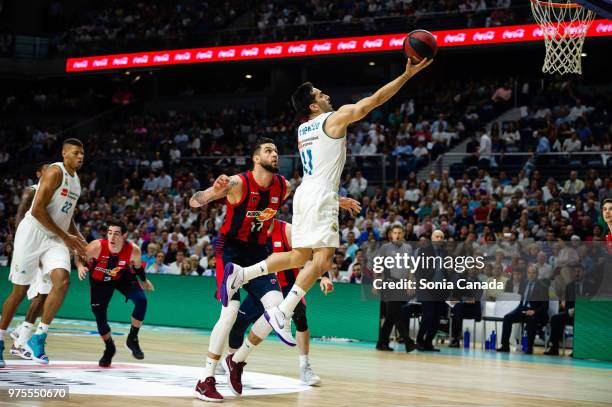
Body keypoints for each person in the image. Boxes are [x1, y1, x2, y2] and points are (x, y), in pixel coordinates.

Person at [222, 57, 433, 350]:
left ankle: (243, 273)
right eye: (321, 95)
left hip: (306, 192)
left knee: (298, 256)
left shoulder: (302, 130)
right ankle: (282, 312)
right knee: (322, 260)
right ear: (313, 106)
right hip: (320, 194)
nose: (327, 96)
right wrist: (407, 75)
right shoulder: (331, 119)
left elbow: (320, 166)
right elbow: (373, 102)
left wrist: (335, 197)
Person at [189, 138, 291, 402]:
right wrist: (212, 192)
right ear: (256, 158)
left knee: (278, 309)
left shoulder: (284, 186)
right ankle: (205, 379)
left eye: (277, 151)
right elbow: (194, 201)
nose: (275, 154)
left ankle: (236, 360)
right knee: (230, 312)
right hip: (230, 251)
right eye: (269, 151)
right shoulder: (238, 183)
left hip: (257, 253)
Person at [0, 139, 87, 367]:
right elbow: (37, 211)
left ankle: (39, 336)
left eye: (82, 154)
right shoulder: (54, 172)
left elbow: (67, 217)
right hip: (32, 232)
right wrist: (67, 237)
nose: (80, 157)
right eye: (76, 153)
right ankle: (0, 338)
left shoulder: (76, 182)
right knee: (19, 292)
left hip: (54, 237)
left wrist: (79, 239)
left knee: (62, 281)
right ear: (64, 153)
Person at [227, 219, 333, 386]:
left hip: (289, 287)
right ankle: (230, 361)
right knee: (239, 323)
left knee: (301, 321)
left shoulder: (287, 230)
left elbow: (314, 254)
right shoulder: (251, 232)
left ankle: (305, 367)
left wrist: (324, 276)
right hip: (263, 287)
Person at [75, 220, 154, 367]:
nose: (112, 237)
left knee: (141, 300)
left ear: (124, 235)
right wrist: (80, 266)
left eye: (116, 234)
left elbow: (137, 268)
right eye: (110, 233)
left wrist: (144, 280)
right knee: (100, 318)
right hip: (99, 282)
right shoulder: (97, 246)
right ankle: (109, 348)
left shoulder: (133, 250)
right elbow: (78, 254)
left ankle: (132, 338)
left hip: (121, 277)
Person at [9, 163, 52, 359]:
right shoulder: (32, 191)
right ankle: (19, 342)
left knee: (45, 296)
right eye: (47, 170)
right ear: (38, 174)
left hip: (45, 248)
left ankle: (20, 333)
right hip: (29, 247)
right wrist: (21, 245)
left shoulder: (55, 195)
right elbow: (20, 218)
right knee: (29, 294)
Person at [375, 225, 415, 352]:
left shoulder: (408, 248)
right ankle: (408, 341)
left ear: (403, 234)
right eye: (395, 233)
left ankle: (381, 343)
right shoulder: (385, 248)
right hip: (389, 283)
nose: (397, 235)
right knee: (396, 314)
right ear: (391, 235)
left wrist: (410, 283)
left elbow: (410, 268)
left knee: (392, 316)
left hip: (401, 285)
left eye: (399, 232)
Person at [544, 266, 596, 355]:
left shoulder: (591, 286)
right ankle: (554, 348)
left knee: (578, 321)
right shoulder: (569, 286)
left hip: (585, 314)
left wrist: (579, 310)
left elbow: (592, 304)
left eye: (579, 271)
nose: (577, 273)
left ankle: (577, 349)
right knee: (555, 318)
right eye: (575, 271)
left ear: (584, 272)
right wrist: (569, 311)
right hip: (572, 313)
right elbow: (567, 304)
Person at [497, 265, 549, 354]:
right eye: (529, 273)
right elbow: (522, 300)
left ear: (537, 274)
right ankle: (505, 346)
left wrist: (534, 311)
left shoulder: (543, 287)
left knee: (531, 320)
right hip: (523, 309)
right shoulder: (524, 283)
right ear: (527, 274)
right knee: (507, 318)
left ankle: (529, 348)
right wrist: (519, 309)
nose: (531, 275)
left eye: (533, 273)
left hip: (535, 312)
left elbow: (545, 306)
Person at [415, 230, 449, 352]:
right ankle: (419, 341)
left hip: (440, 289)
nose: (439, 239)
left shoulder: (445, 252)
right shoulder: (424, 251)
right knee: (427, 316)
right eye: (437, 236)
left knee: (436, 318)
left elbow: (446, 272)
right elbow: (418, 271)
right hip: (426, 289)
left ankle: (428, 342)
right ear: (432, 238)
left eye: (441, 237)